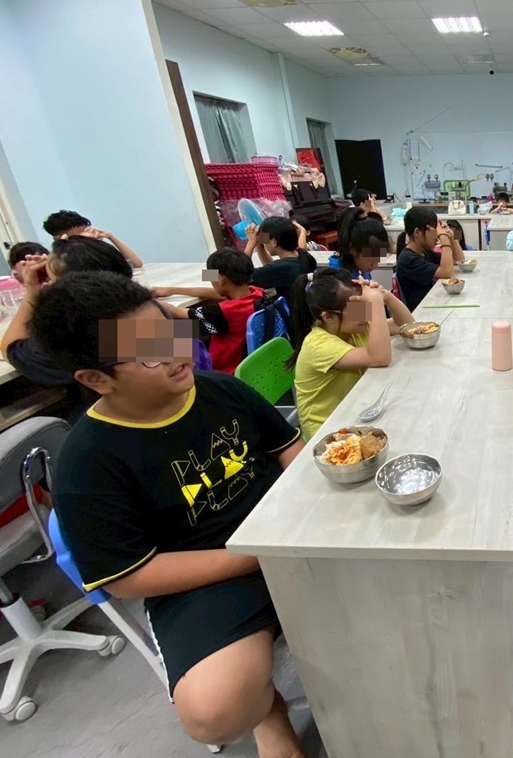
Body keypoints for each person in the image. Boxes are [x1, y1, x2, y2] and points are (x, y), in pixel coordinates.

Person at [30, 271, 306, 754]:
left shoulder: (219, 390)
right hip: (204, 578)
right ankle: (269, 712)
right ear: (96, 379)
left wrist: (304, 514)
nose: (179, 353)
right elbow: (129, 577)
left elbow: (287, 448)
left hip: (284, 531)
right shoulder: (88, 463)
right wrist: (254, 554)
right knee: (214, 711)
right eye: (150, 352)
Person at [4, 237, 133, 402]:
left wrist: (33, 291)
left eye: (51, 280)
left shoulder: (75, 340)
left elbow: (12, 348)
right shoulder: (144, 320)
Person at [289, 268, 413, 439]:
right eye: (357, 308)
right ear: (328, 317)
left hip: (357, 410)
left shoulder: (352, 325)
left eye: (364, 305)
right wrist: (376, 304)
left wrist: (386, 297)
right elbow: (380, 357)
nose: (365, 314)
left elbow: (405, 326)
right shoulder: (318, 345)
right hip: (330, 433)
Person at [157, 250, 264, 375]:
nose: (210, 282)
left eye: (212, 277)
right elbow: (216, 293)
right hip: (247, 361)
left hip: (223, 369)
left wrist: (147, 298)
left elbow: (175, 312)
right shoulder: (257, 293)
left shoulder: (221, 313)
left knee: (158, 333)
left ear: (221, 279)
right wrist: (172, 290)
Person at [394, 208, 464, 311]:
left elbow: (459, 260)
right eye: (434, 229)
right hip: (420, 312)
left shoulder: (424, 251)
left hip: (431, 304)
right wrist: (443, 237)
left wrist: (452, 237)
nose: (437, 234)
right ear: (417, 232)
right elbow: (446, 272)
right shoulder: (408, 259)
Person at [42, 209, 145, 268]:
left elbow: (136, 264)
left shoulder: (98, 250)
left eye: (86, 229)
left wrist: (111, 237)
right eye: (81, 232)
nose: (89, 233)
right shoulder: (62, 260)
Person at [245, 216, 317, 296]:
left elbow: (241, 274)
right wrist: (259, 243)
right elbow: (269, 265)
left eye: (265, 239)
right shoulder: (303, 257)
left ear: (274, 242)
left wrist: (251, 242)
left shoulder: (280, 268)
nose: (265, 243)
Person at [337, 208, 390, 281]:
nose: (376, 264)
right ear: (352, 248)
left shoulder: (362, 271)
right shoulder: (339, 280)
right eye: (372, 256)